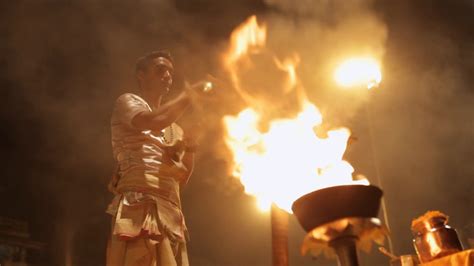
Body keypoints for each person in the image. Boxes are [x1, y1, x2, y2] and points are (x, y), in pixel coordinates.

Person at [106, 50, 206, 266]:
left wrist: (190, 144)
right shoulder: (128, 102)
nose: (168, 76)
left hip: (171, 214)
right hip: (141, 204)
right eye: (161, 70)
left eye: (170, 72)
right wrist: (188, 96)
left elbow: (183, 177)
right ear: (141, 75)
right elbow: (153, 120)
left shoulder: (174, 128)